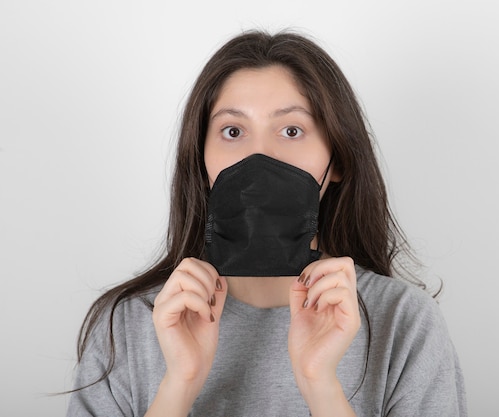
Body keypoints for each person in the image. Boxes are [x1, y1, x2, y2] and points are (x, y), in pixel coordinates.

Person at [67, 30, 467, 417]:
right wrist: (179, 383)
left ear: (339, 160)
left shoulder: (403, 322)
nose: (259, 156)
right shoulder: (130, 323)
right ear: (200, 160)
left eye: (291, 130)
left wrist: (320, 383)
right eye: (233, 131)